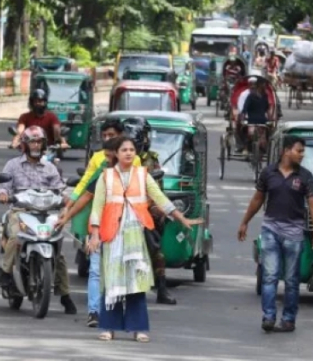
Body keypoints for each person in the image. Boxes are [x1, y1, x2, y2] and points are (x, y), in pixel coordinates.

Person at [87, 137, 203, 342]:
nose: (129, 153)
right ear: (115, 153)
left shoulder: (143, 176)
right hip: (112, 236)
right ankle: (108, 327)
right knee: (112, 282)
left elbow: (160, 198)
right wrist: (95, 235)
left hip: (135, 237)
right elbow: (97, 207)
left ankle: (138, 328)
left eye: (132, 150)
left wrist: (180, 217)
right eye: (124, 150)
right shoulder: (105, 177)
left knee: (136, 283)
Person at [238, 135, 313, 333]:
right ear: (286, 151)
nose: (302, 155)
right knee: (270, 276)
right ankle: (268, 316)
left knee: (292, 280)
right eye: (298, 150)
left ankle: (288, 319)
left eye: (303, 152)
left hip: (294, 233)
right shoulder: (268, 173)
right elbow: (258, 199)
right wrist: (245, 222)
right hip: (270, 230)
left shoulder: (305, 176)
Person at [0, 125, 77, 314]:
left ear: (44, 144)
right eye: (32, 141)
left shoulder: (50, 167)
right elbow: (3, 186)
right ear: (25, 144)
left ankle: (65, 295)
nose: (36, 144)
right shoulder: (12, 165)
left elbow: (59, 188)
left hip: (46, 213)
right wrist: (2, 194)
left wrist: (66, 197)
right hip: (20, 211)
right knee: (15, 238)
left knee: (59, 251)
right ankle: (6, 275)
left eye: (39, 141)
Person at [56, 138, 121, 327]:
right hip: (99, 227)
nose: (108, 161)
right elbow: (86, 196)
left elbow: (152, 197)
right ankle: (94, 312)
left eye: (110, 157)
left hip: (124, 230)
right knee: (95, 271)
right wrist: (66, 216)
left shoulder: (135, 175)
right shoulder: (103, 174)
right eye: (107, 156)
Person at [122, 117, 178, 305]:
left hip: (143, 209)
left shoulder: (151, 160)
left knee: (155, 246)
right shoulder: (116, 156)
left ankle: (161, 289)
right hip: (119, 207)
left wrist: (154, 208)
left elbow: (156, 189)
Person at [240, 79, 272, 156]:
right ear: (258, 85)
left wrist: (270, 118)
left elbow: (267, 108)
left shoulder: (265, 95)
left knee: (269, 130)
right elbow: (245, 108)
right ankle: (245, 147)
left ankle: (265, 147)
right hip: (252, 119)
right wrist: (242, 117)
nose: (264, 86)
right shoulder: (251, 95)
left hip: (262, 119)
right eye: (262, 84)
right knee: (247, 132)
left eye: (264, 84)